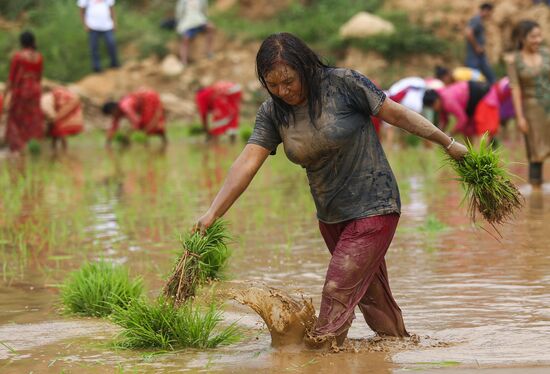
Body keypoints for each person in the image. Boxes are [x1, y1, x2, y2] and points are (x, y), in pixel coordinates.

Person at [193, 33, 468, 348]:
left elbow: (398, 115)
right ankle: (398, 349)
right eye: (273, 84)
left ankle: (321, 354)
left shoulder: (344, 84)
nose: (283, 91)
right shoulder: (273, 113)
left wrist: (447, 142)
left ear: (306, 68)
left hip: (375, 205)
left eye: (289, 81)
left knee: (337, 290)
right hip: (331, 215)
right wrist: (213, 212)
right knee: (370, 298)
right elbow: (247, 162)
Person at [505, 20, 550, 186]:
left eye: (539, 36)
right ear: (523, 38)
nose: (538, 40)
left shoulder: (547, 54)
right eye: (533, 37)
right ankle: (536, 191)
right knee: (535, 153)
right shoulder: (513, 60)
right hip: (532, 110)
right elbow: (515, 88)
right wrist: (520, 117)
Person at [4, 31, 44, 152]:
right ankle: (32, 144)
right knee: (33, 118)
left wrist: (5, 93)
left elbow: (11, 78)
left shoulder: (18, 56)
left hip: (22, 90)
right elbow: (39, 77)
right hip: (35, 90)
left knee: (16, 118)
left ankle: (18, 147)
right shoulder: (39, 57)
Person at [423, 79, 494, 138]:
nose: (434, 109)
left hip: (476, 93)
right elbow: (444, 121)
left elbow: (463, 119)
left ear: (436, 100)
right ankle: (471, 150)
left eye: (433, 105)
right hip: (470, 97)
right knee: (467, 130)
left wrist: (450, 133)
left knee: (477, 126)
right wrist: (438, 136)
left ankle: (477, 148)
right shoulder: (441, 101)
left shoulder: (448, 102)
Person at [102, 89, 167, 146]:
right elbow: (114, 126)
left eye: (111, 114)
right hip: (144, 102)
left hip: (149, 97)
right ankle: (148, 143)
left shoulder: (125, 107)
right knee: (144, 126)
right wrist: (108, 142)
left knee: (146, 123)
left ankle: (150, 144)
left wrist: (128, 135)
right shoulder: (117, 112)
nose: (112, 116)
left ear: (114, 110)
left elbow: (136, 121)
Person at [78, 0, 120, 73]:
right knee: (94, 47)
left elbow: (112, 9)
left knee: (111, 43)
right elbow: (81, 11)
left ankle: (114, 64)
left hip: (107, 25)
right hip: (93, 26)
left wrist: (114, 22)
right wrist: (85, 25)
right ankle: (97, 68)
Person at [41, 86, 84, 150]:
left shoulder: (44, 104)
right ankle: (61, 152)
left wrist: (50, 125)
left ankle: (60, 152)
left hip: (64, 106)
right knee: (57, 131)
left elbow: (52, 116)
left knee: (58, 129)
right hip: (63, 106)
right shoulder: (45, 100)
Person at [175, 0, 215, 65]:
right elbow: (179, 14)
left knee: (210, 27)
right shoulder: (183, 1)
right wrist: (179, 25)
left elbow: (204, 11)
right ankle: (183, 60)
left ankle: (209, 52)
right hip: (187, 24)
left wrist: (206, 20)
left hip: (200, 21)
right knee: (185, 39)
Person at [465, 3, 495, 84]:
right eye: (490, 12)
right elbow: (468, 33)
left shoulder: (479, 21)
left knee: (488, 77)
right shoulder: (476, 20)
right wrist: (477, 47)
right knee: (476, 79)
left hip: (479, 56)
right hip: (475, 56)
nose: (490, 15)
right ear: (486, 11)